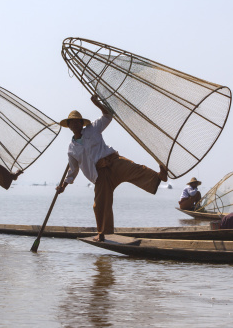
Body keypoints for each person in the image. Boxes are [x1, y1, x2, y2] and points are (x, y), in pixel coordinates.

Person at [56, 95, 168, 242]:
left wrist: (97, 103)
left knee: (135, 169)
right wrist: (64, 185)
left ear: (82, 123)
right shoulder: (71, 149)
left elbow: (108, 115)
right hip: (99, 175)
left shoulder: (92, 129)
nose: (76, 124)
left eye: (78, 122)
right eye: (73, 122)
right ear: (69, 126)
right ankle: (102, 232)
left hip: (113, 162)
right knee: (100, 205)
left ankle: (159, 177)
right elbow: (73, 170)